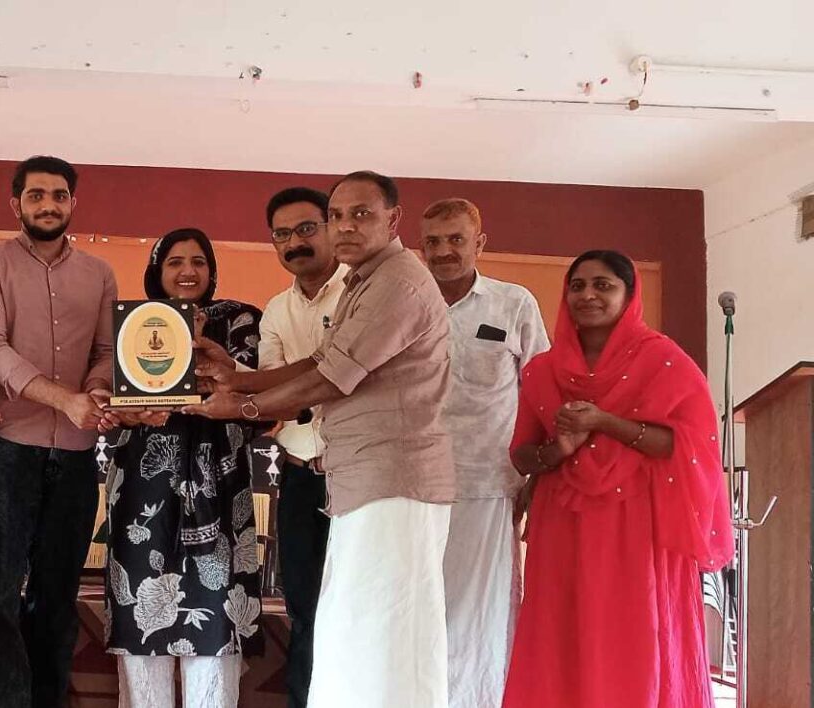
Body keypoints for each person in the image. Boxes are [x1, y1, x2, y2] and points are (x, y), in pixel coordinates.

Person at [186, 171, 455, 708]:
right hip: (360, 479)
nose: (346, 226)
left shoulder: (398, 282)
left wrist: (241, 407)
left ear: (393, 219)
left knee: (379, 627)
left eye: (361, 214)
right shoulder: (368, 281)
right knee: (350, 622)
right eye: (338, 216)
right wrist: (239, 379)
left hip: (392, 479)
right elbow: (319, 361)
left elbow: (332, 377)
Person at [503, 250, 731, 708]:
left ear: (629, 295)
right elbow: (522, 454)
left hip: (637, 523)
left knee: (634, 632)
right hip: (564, 521)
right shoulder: (543, 370)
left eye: (603, 285)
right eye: (577, 286)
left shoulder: (664, 361)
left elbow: (684, 445)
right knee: (562, 632)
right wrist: (558, 450)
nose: (587, 295)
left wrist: (605, 422)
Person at [0, 155, 117, 707]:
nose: (48, 205)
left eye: (58, 195)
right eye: (36, 195)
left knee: (58, 591)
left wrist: (95, 392)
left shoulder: (99, 273)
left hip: (75, 454)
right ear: (16, 204)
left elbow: (106, 351)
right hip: (7, 447)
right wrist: (64, 400)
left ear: (73, 202)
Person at [100, 228, 263, 708]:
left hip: (219, 485)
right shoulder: (131, 325)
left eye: (198, 262)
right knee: (141, 618)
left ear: (212, 270)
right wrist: (122, 408)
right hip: (142, 490)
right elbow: (110, 395)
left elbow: (262, 397)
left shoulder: (240, 321)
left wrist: (211, 358)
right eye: (174, 262)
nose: (188, 271)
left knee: (215, 621)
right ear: (157, 271)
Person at [418, 197, 548, 708]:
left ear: (480, 243)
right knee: (421, 613)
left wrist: (537, 479)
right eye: (433, 242)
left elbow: (541, 394)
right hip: (412, 485)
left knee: (482, 621)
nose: (443, 251)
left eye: (456, 239)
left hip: (487, 486)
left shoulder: (513, 304)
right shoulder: (407, 304)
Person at [255, 187, 345, 708]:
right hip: (297, 478)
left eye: (307, 228)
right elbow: (273, 393)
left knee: (355, 606)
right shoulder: (275, 310)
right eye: (282, 234)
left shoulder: (359, 293)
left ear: (332, 228)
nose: (295, 242)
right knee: (303, 608)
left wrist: (268, 392)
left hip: (355, 480)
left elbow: (332, 376)